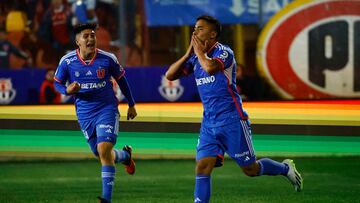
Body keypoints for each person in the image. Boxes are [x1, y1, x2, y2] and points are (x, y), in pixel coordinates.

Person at [166, 15, 303, 203]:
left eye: (200, 28)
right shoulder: (196, 58)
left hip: (232, 120)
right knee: (202, 166)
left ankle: (285, 168)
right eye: (195, 28)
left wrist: (198, 53)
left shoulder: (224, 52)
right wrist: (189, 52)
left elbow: (210, 68)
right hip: (209, 122)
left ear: (213, 34)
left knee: (250, 169)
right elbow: (170, 75)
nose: (195, 32)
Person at [53, 23, 137, 203]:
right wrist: (67, 90)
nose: (91, 39)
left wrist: (131, 104)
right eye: (86, 36)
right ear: (77, 41)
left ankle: (106, 199)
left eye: (93, 35)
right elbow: (57, 83)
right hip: (84, 114)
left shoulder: (108, 59)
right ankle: (126, 156)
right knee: (101, 154)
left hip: (106, 108)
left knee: (103, 148)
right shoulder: (67, 61)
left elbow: (122, 80)